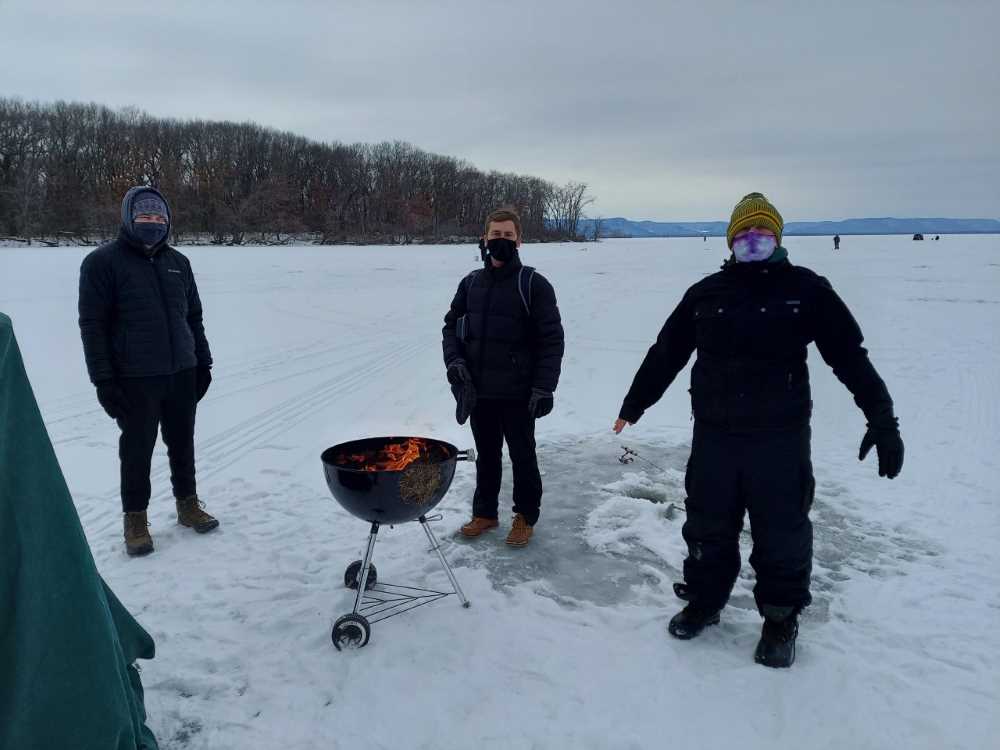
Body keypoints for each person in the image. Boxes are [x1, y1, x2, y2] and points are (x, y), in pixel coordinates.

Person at [613, 192, 904, 668]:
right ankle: (706, 602)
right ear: (731, 242)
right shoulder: (706, 293)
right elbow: (666, 352)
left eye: (763, 234)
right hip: (716, 435)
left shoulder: (807, 290)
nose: (753, 242)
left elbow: (850, 356)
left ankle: (780, 618)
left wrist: (882, 417)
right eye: (744, 236)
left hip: (780, 438)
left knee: (782, 532)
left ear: (778, 239)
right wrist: (635, 404)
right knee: (707, 524)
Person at [79, 186, 218, 556]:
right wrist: (104, 380)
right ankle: (135, 520)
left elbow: (193, 317)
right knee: (137, 450)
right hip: (135, 377)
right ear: (128, 218)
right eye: (144, 216)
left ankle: (187, 505)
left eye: (159, 217)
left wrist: (203, 361)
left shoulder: (179, 262)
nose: (152, 223)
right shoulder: (102, 263)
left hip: (182, 371)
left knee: (182, 443)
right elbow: (92, 326)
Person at [442, 208, 564, 547]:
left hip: (519, 393)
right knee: (487, 454)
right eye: (495, 235)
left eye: (508, 236)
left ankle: (525, 516)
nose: (501, 241)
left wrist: (544, 386)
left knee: (523, 456)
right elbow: (450, 327)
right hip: (479, 391)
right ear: (484, 239)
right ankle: (485, 513)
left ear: (519, 241)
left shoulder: (533, 285)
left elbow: (552, 340)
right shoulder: (470, 283)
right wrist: (454, 363)